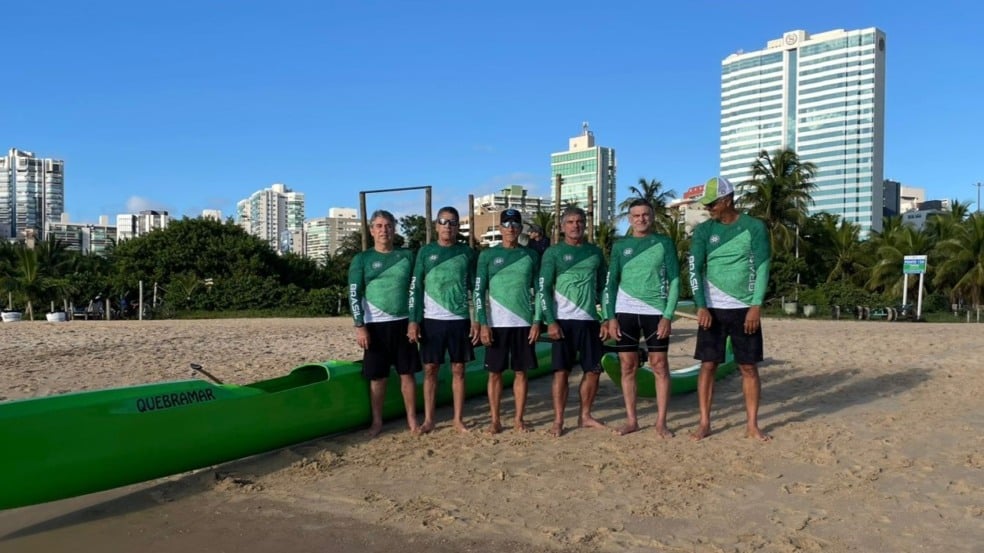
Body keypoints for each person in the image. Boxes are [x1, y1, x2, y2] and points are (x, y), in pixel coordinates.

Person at [689, 176, 772, 441]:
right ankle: (704, 422)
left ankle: (752, 425)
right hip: (712, 309)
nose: (708, 208)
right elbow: (694, 268)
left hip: (744, 308)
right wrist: (700, 306)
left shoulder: (754, 227)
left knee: (748, 367)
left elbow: (762, 266)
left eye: (712, 203)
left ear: (727, 200)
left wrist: (756, 305)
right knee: (708, 365)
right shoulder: (703, 231)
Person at [602, 199, 680, 437]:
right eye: (636, 216)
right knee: (628, 366)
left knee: (660, 366)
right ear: (629, 219)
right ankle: (632, 420)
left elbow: (675, 280)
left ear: (652, 217)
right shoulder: (620, 246)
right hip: (625, 312)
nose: (641, 219)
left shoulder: (664, 243)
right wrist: (610, 317)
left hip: (655, 312)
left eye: (645, 215)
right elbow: (611, 283)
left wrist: (668, 315)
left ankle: (661, 422)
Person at [348, 209, 423, 438]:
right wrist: (360, 326)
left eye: (388, 225)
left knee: (407, 374)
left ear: (394, 229)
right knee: (377, 377)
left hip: (403, 323)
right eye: (379, 226)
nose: (384, 230)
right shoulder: (362, 259)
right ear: (371, 231)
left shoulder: (407, 256)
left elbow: (416, 290)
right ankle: (377, 421)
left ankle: (412, 419)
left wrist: (414, 321)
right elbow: (353, 293)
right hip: (374, 326)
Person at [537, 206, 609, 437]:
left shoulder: (594, 253)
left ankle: (585, 415)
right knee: (561, 372)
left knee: (594, 371)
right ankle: (558, 420)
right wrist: (550, 321)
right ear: (562, 226)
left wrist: (607, 318)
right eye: (570, 222)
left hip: (589, 320)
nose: (575, 225)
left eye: (579, 221)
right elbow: (543, 288)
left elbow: (604, 288)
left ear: (585, 225)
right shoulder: (553, 253)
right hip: (563, 321)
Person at [408, 206, 478, 433]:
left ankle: (458, 419)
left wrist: (476, 319)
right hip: (431, 319)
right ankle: (429, 419)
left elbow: (475, 288)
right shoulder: (425, 252)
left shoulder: (467, 253)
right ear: (436, 225)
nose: (448, 226)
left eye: (453, 222)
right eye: (443, 221)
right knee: (430, 369)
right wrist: (413, 320)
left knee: (459, 369)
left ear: (458, 227)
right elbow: (416, 288)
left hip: (459, 318)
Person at [474, 208, 541, 434]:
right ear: (500, 228)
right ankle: (495, 420)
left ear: (520, 229)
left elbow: (540, 290)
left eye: (514, 224)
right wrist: (483, 323)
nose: (510, 228)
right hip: (496, 324)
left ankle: (519, 419)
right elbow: (478, 292)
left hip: (523, 323)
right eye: (506, 224)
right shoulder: (487, 255)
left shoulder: (530, 255)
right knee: (495, 373)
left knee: (521, 372)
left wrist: (537, 321)